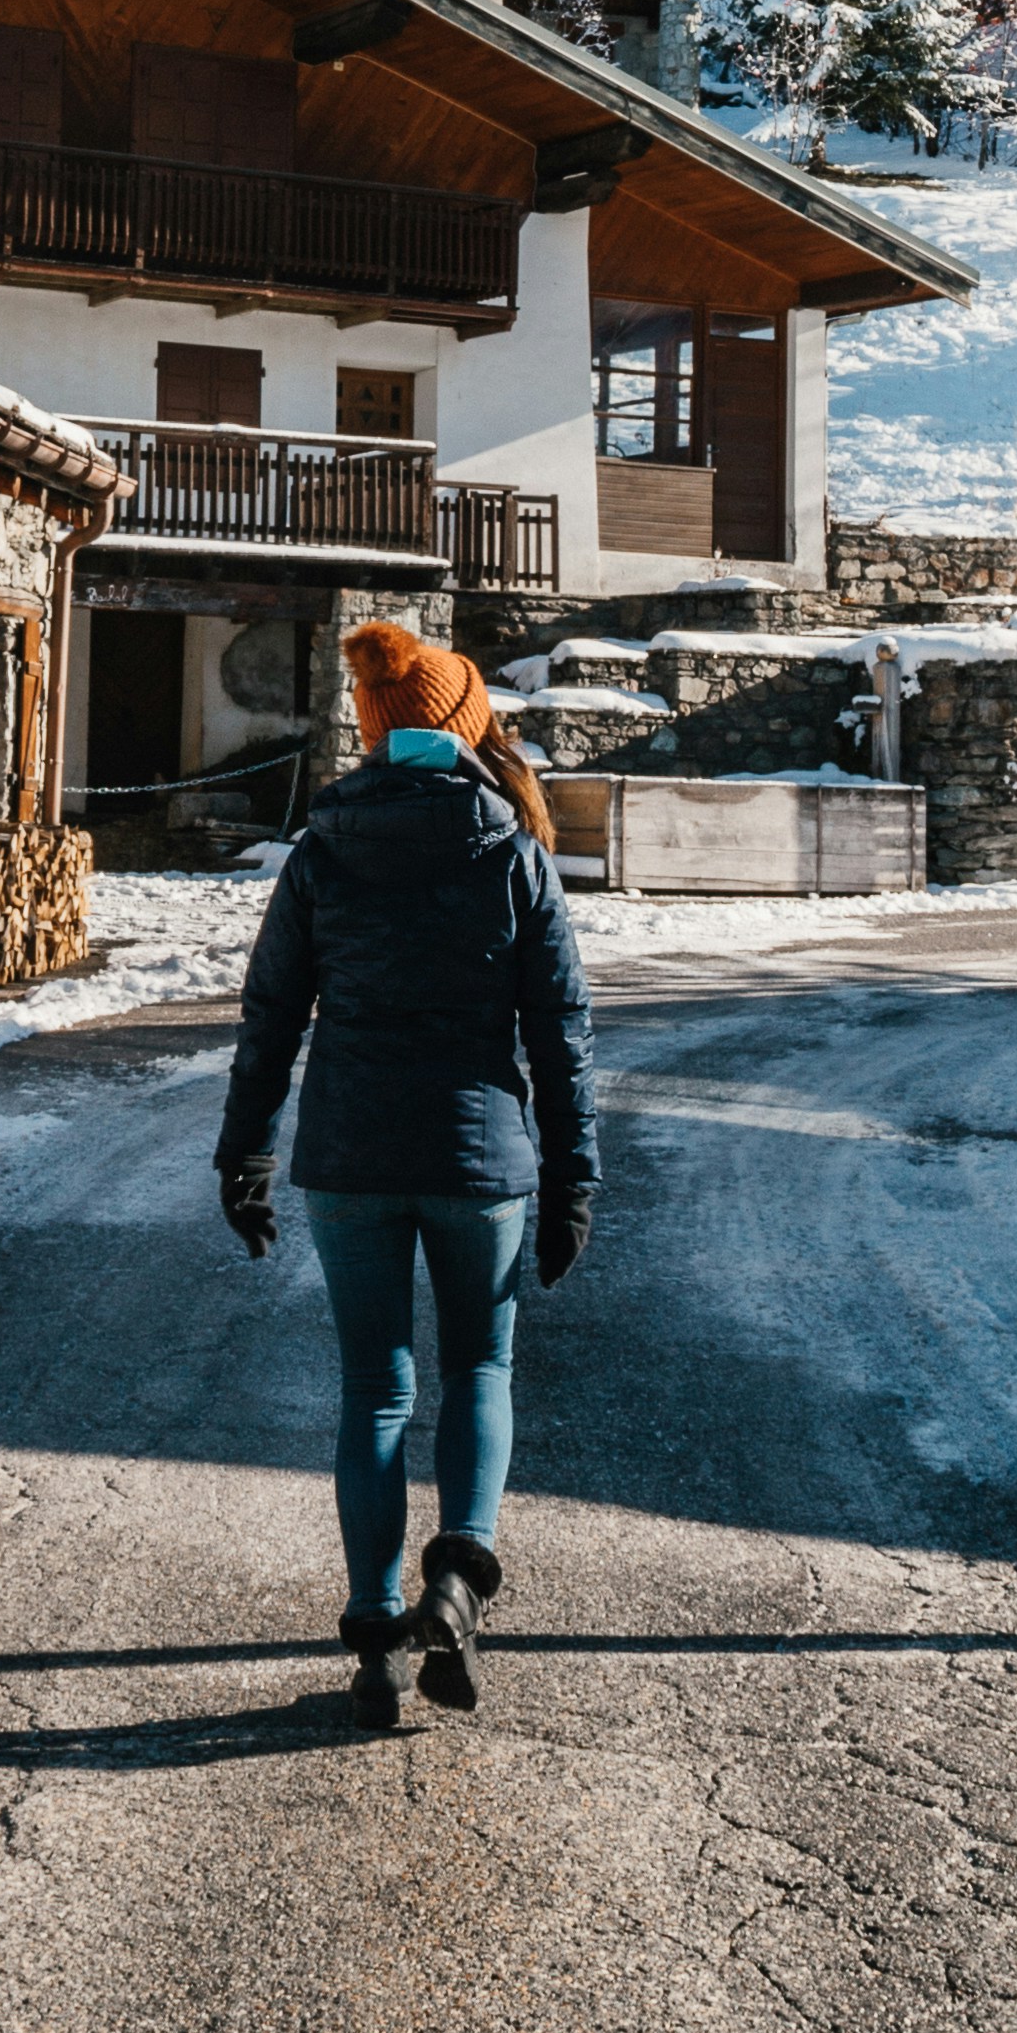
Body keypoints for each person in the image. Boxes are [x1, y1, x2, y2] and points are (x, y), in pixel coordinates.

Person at [217, 621, 598, 1724]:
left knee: (374, 1387)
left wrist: (242, 1151)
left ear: (379, 734)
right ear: (465, 724)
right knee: (479, 1365)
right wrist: (573, 1175)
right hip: (481, 1162)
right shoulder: (510, 849)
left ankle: (378, 1636)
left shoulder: (323, 846)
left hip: (348, 1156)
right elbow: (559, 1035)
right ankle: (456, 1581)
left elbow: (269, 1017)